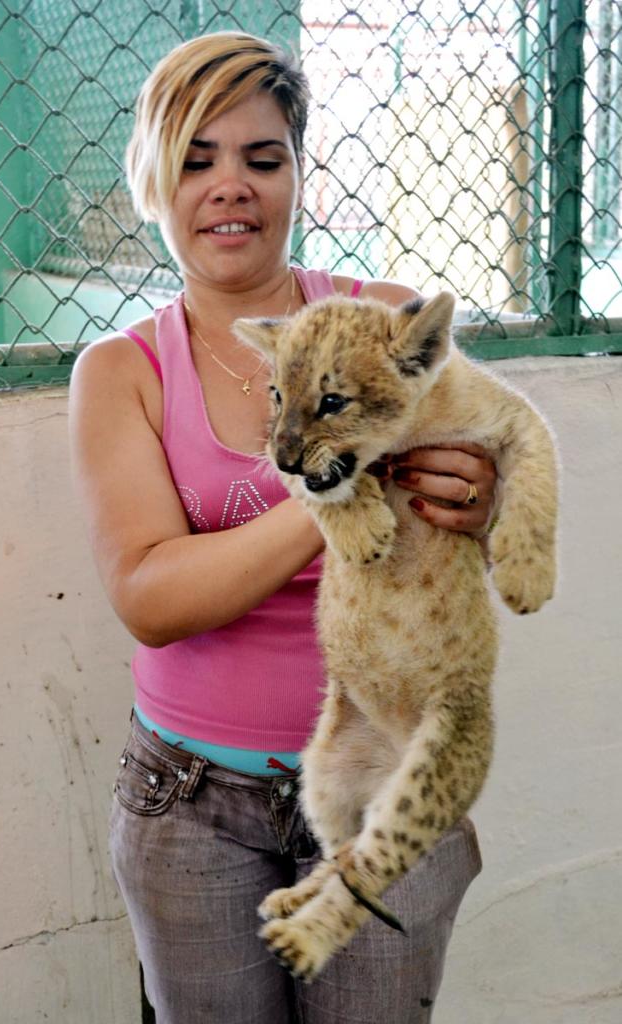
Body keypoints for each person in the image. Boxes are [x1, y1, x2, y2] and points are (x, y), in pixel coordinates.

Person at [69, 31, 498, 1024]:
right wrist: (330, 484)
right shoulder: (124, 371)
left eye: (262, 158)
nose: (231, 185)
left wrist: (477, 498)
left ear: (297, 176)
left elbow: (468, 514)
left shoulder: (385, 323)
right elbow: (150, 595)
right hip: (191, 804)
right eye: (196, 160)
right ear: (153, 182)